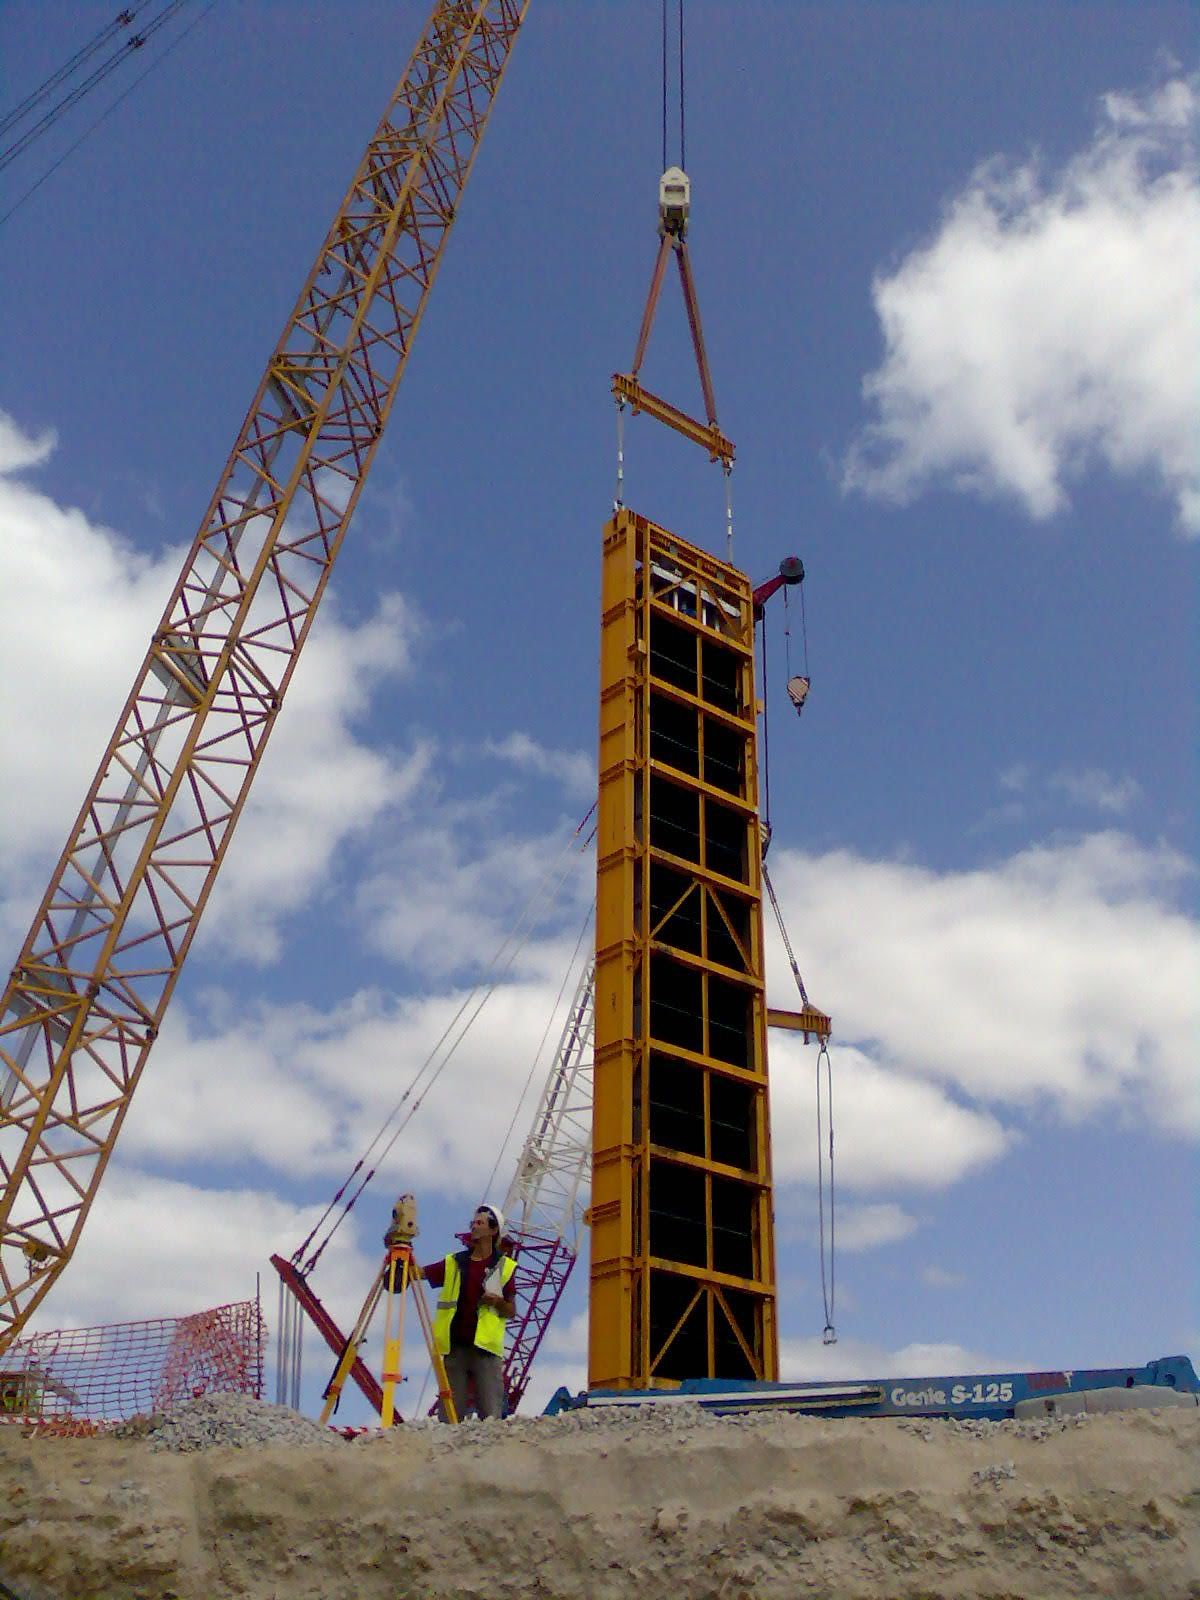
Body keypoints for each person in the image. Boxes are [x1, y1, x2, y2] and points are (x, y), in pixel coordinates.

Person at [420, 1203, 516, 1421]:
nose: (474, 1226)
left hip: (486, 1350)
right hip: (456, 1348)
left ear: (493, 1231)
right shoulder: (455, 1262)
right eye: (473, 1222)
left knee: (491, 1413)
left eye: (480, 1223)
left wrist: (497, 1301)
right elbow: (423, 1273)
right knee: (450, 1414)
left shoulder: (503, 1267)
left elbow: (511, 1311)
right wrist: (402, 1259)